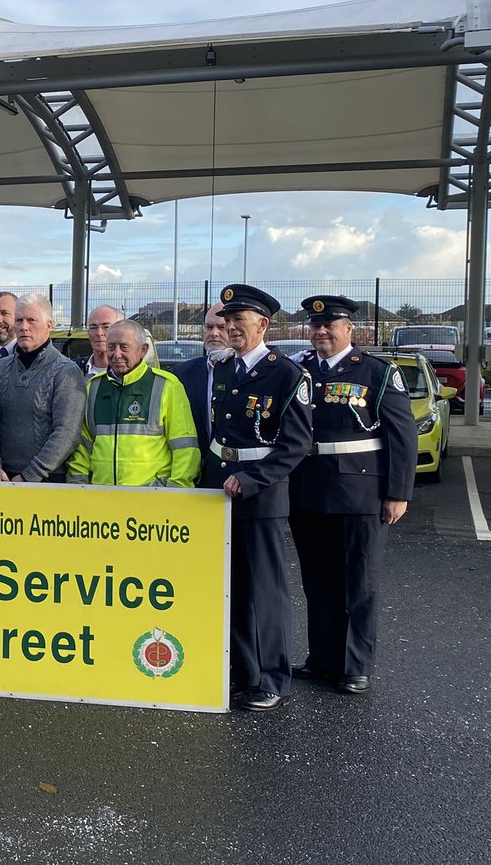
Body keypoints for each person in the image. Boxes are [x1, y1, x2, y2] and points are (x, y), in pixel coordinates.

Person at [288, 295, 416, 695]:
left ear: (350, 330)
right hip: (308, 489)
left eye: (330, 325)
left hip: (362, 492)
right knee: (318, 581)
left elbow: (402, 435)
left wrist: (398, 493)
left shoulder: (376, 371)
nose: (321, 332)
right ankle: (322, 658)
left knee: (360, 583)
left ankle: (356, 665)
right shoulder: (299, 369)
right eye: (315, 326)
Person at [201, 284, 312, 712]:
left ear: (263, 324)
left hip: (260, 497)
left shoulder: (286, 374)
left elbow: (296, 444)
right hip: (219, 491)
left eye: (239, 321)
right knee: (231, 587)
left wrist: (252, 480)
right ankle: (242, 673)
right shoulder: (226, 368)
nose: (230, 328)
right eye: (227, 321)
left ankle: (273, 679)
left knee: (266, 590)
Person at [66, 319, 200, 487]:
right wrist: (78, 486)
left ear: (143, 350)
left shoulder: (167, 386)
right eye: (111, 347)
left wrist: (173, 491)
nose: (116, 354)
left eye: (124, 347)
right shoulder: (93, 387)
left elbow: (185, 448)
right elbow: (82, 447)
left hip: (151, 501)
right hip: (101, 499)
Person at [0, 294, 84, 483]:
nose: (24, 327)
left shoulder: (66, 372)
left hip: (48, 480)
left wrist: (29, 476)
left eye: (31, 320)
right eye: (19, 320)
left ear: (48, 325)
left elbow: (67, 433)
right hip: (2, 478)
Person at [171, 302, 229, 470]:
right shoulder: (181, 374)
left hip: (236, 478)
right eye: (209, 327)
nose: (214, 334)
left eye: (221, 327)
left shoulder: (246, 373)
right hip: (193, 472)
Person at [79, 305, 125, 376]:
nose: (99, 333)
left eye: (106, 327)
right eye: (93, 327)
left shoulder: (131, 372)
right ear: (88, 333)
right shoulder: (73, 370)